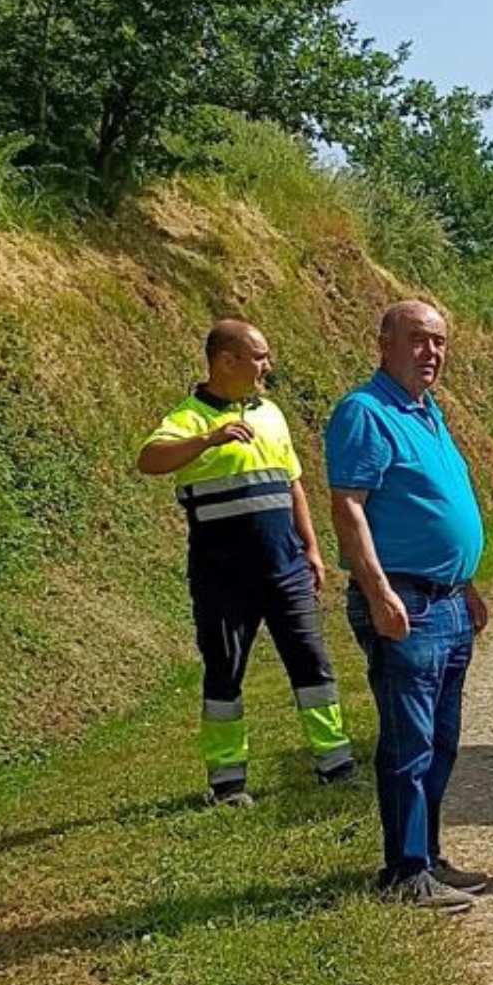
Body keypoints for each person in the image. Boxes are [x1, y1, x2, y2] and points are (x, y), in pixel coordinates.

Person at [137, 320, 355, 807]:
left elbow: (293, 483)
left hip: (286, 567)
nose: (266, 367)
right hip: (222, 577)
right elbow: (149, 459)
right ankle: (228, 783)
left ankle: (336, 764)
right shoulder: (191, 417)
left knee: (312, 663)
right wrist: (208, 441)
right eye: (258, 357)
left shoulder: (271, 414)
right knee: (224, 673)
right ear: (226, 361)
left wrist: (312, 548)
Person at [325, 301, 491, 913]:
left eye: (441, 342)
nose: (432, 353)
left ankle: (427, 853)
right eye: (419, 340)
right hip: (405, 602)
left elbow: (438, 506)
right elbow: (350, 507)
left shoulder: (428, 413)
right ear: (385, 344)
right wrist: (377, 590)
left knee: (442, 741)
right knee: (409, 741)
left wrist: (467, 583)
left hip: (447, 602)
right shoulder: (365, 412)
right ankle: (403, 872)